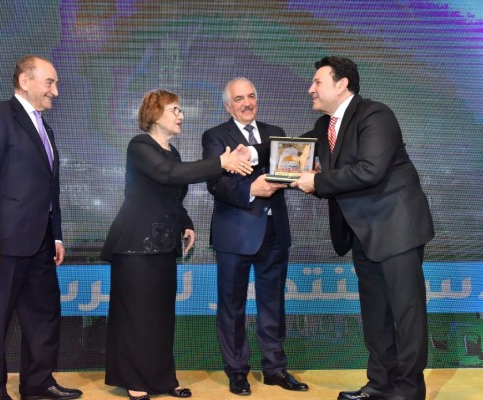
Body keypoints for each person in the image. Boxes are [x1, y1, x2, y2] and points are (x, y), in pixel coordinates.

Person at [292, 56, 434, 400]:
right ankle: (380, 385)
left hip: (397, 229)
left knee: (407, 313)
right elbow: (291, 149)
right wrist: (248, 155)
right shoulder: (325, 126)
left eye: (317, 82)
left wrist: (318, 181)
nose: (310, 89)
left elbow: (370, 170)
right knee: (375, 314)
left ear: (342, 84)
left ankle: (409, 390)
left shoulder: (375, 115)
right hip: (363, 234)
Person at [101, 89, 252, 400]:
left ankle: (162, 379)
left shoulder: (173, 152)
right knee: (137, 316)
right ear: (155, 114)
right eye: (175, 110)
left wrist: (186, 223)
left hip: (163, 246)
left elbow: (172, 192)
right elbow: (168, 174)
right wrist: (221, 161)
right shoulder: (140, 145)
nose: (181, 115)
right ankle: (134, 380)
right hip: (135, 246)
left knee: (161, 317)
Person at [0, 55, 82, 400]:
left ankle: (38, 384)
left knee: (44, 317)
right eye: (50, 82)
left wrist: (56, 235)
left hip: (39, 243)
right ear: (25, 81)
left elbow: (49, 188)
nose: (56, 91)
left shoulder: (45, 128)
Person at [202, 77, 309, 396]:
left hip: (275, 233)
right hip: (234, 234)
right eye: (239, 99)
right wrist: (251, 189)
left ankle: (275, 369)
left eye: (251, 96)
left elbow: (286, 173)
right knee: (232, 306)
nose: (247, 103)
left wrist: (304, 174)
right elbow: (215, 183)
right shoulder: (215, 136)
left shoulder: (275, 132)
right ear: (228, 106)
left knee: (273, 304)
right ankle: (237, 371)